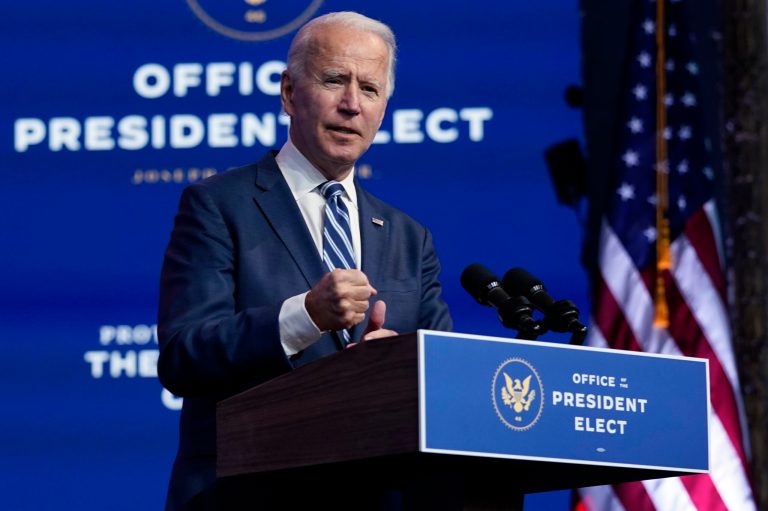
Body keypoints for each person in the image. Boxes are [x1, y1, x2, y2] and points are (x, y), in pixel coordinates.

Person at [157, 11, 452, 510]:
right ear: (290, 93)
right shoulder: (218, 205)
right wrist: (305, 316)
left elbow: (444, 381)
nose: (351, 104)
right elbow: (183, 357)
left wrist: (399, 366)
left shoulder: (409, 238)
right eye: (335, 80)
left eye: (371, 89)